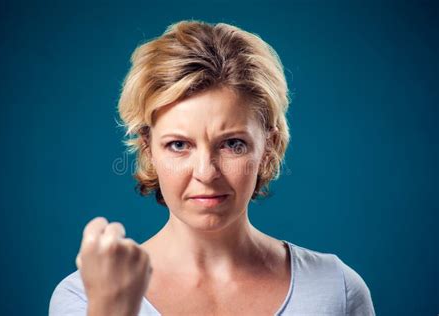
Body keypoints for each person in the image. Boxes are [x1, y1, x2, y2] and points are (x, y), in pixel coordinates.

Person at [49, 20, 375, 316]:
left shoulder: (336, 290)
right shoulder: (83, 299)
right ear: (148, 150)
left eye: (232, 144)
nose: (206, 173)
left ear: (269, 148)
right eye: (179, 145)